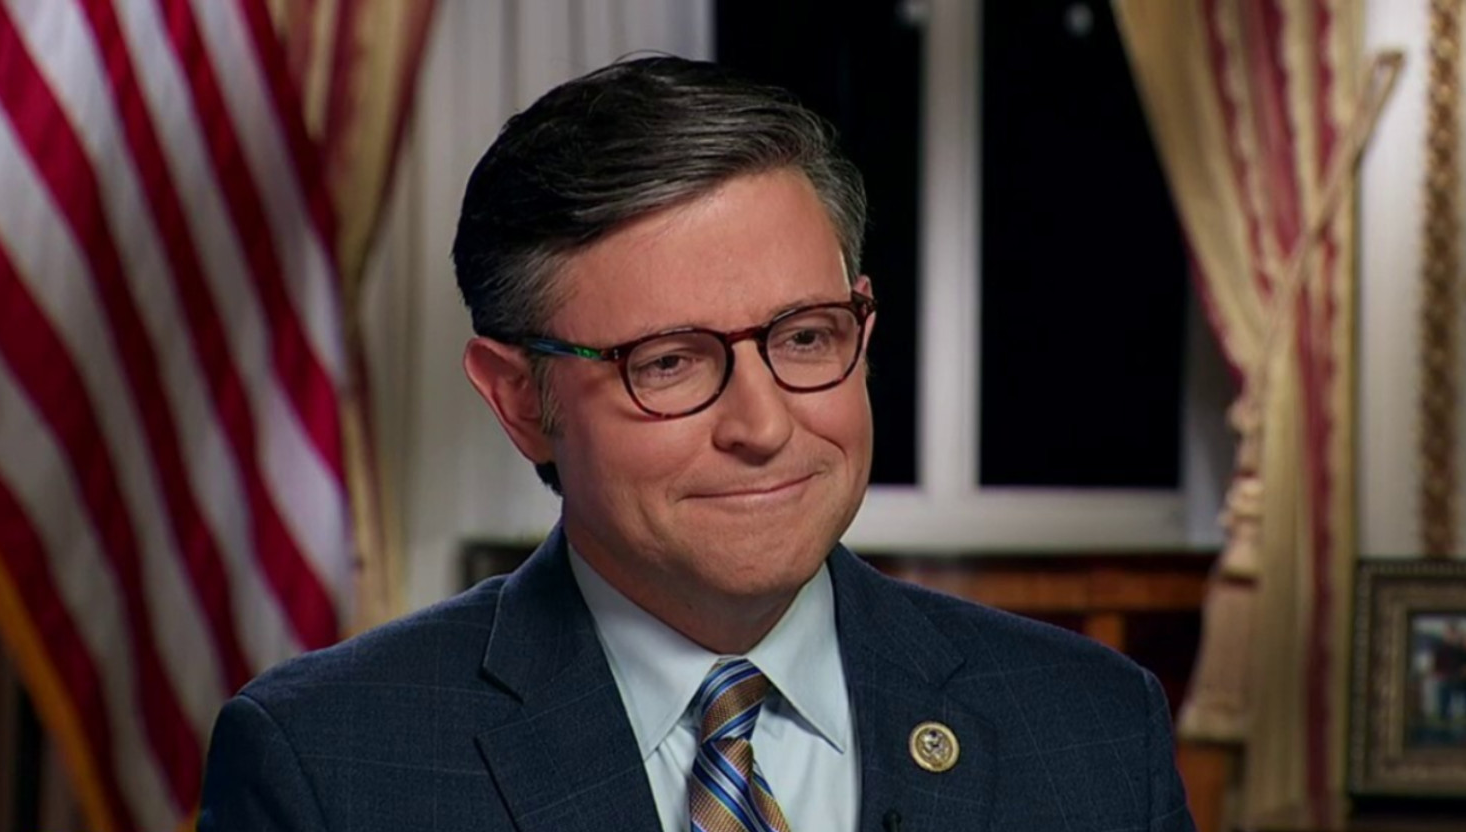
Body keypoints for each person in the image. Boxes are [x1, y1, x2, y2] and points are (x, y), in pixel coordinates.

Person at [198, 56, 1194, 832]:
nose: (763, 427)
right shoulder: (325, 764)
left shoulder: (1095, 729)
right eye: (669, 362)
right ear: (520, 400)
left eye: (805, 339)